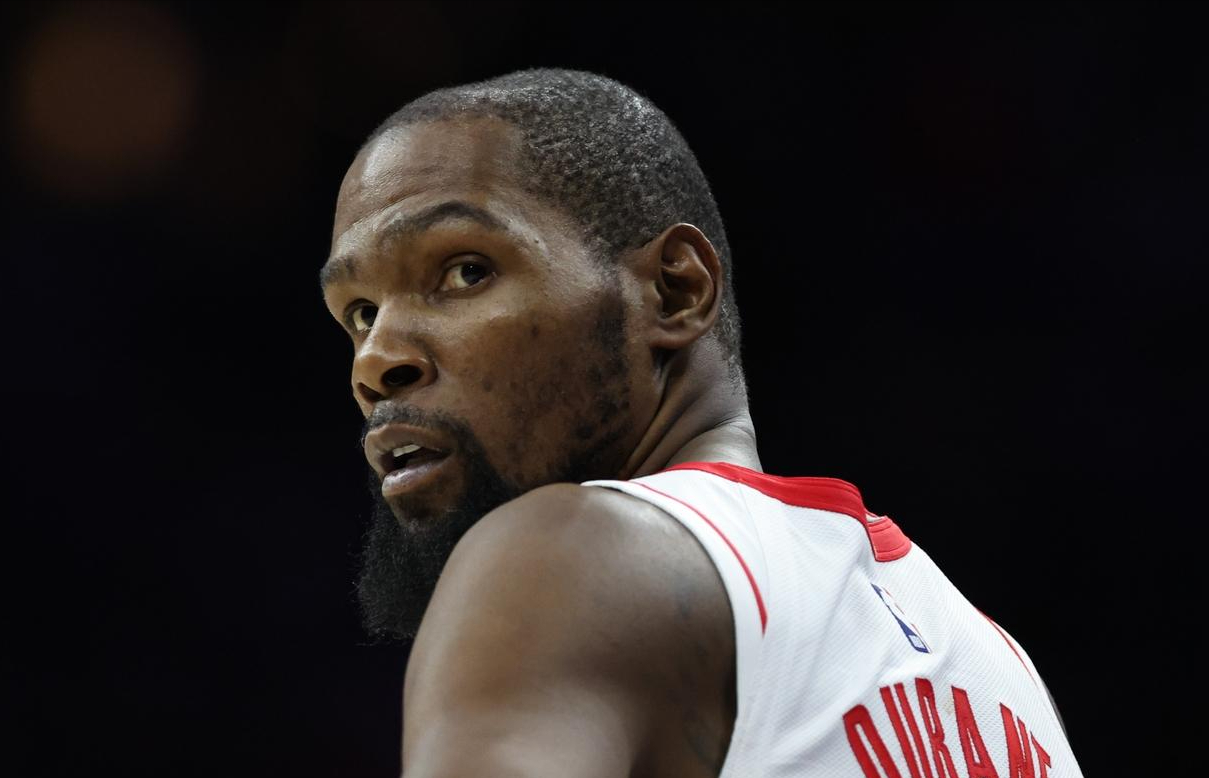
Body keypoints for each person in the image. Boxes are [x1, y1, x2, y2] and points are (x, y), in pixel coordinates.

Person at [319, 69, 1083, 778]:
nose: (375, 361)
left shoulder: (569, 554)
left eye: (465, 272)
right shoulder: (999, 672)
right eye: (359, 314)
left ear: (676, 290)